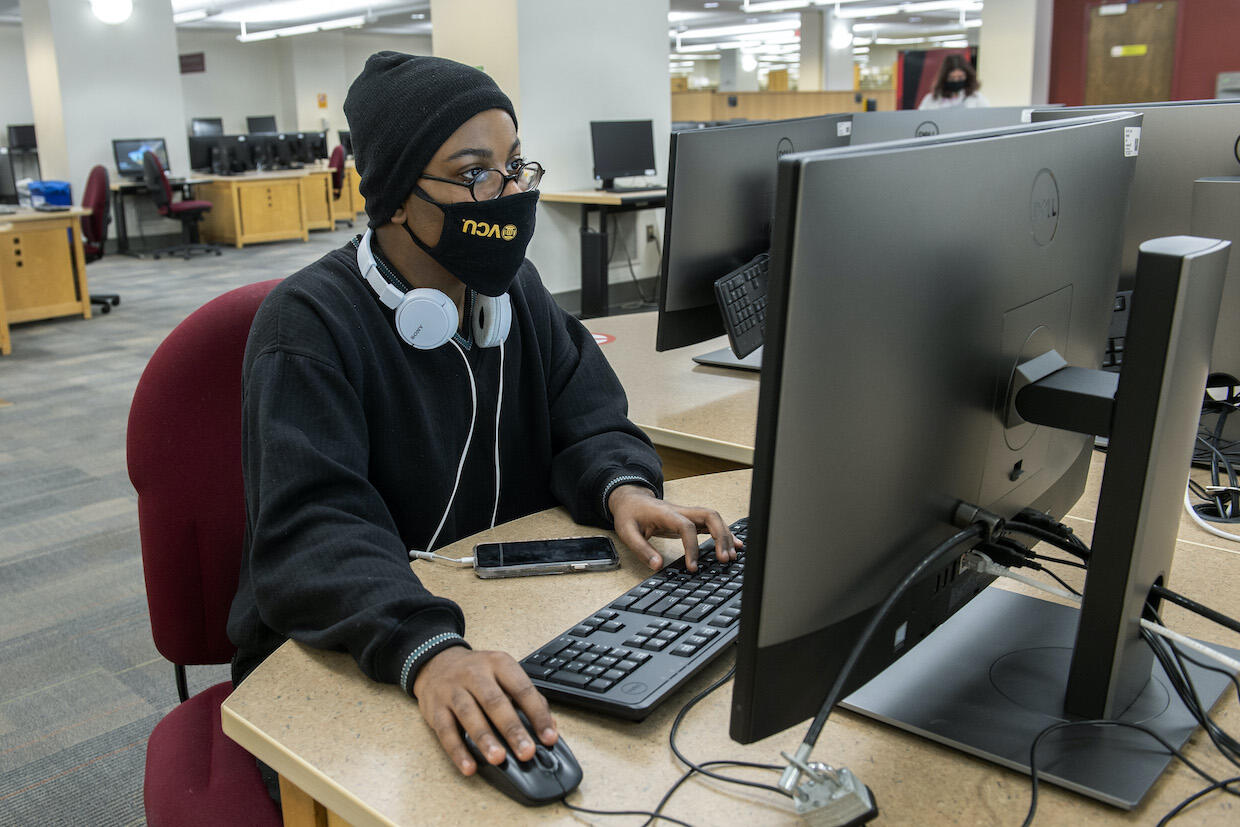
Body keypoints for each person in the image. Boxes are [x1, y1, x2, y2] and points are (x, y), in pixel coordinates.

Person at [226, 52, 742, 793]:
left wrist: (624, 489)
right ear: (398, 196)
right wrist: (428, 649)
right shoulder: (309, 324)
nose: (505, 194)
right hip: (347, 644)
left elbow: (589, 412)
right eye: (474, 174)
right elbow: (315, 528)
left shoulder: (511, 293)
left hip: (497, 617)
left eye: (515, 166)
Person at [918, 54, 988, 110]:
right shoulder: (931, 99)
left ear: (967, 76)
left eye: (960, 77)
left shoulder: (977, 98)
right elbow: (920, 120)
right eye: (952, 78)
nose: (956, 81)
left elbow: (986, 119)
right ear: (944, 78)